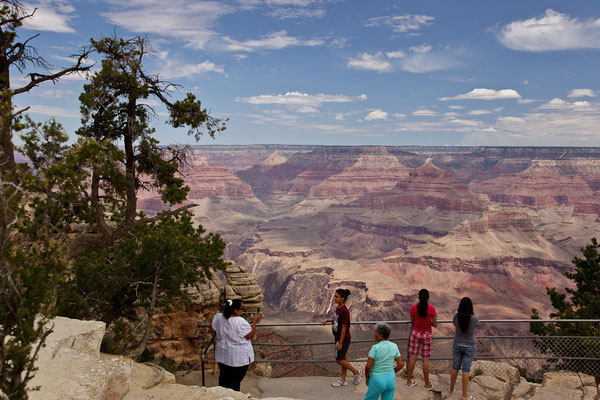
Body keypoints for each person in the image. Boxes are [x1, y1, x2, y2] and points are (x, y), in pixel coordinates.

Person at [211, 299, 261, 391]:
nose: (243, 310)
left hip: (222, 354)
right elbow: (250, 335)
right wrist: (254, 322)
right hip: (237, 358)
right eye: (242, 308)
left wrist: (216, 346)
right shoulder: (240, 322)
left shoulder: (219, 317)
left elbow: (213, 329)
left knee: (223, 378)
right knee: (235, 381)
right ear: (235, 310)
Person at [321, 288, 362, 387]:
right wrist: (329, 320)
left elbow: (344, 328)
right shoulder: (338, 308)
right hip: (338, 337)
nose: (334, 298)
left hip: (342, 339)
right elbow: (337, 320)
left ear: (342, 298)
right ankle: (343, 379)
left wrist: (340, 342)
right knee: (344, 359)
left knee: (339, 360)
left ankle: (356, 373)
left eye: (336, 297)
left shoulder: (344, 311)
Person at [364, 323, 405, 400]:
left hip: (377, 379)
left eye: (375, 332)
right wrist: (393, 371)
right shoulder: (394, 346)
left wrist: (367, 377)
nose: (374, 334)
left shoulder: (375, 348)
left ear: (381, 335)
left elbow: (368, 366)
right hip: (391, 379)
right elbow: (401, 364)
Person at [406, 288, 437, 390]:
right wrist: (429, 322)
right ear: (428, 298)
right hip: (426, 335)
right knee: (425, 360)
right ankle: (427, 384)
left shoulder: (414, 308)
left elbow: (413, 322)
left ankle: (409, 381)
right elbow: (435, 324)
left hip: (416, 334)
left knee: (413, 358)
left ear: (418, 297)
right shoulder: (431, 309)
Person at [448, 297, 479, 400]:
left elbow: (454, 324)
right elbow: (476, 325)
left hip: (457, 345)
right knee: (466, 370)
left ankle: (451, 390)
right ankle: (464, 395)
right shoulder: (474, 318)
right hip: (469, 346)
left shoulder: (456, 317)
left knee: (455, 368)